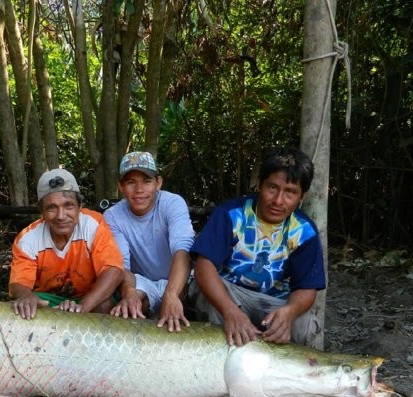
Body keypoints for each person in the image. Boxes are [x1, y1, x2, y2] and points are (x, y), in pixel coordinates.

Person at [190, 146, 325, 347]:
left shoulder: (304, 231)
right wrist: (231, 312)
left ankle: (292, 374)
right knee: (205, 296)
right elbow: (203, 266)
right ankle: (219, 365)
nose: (278, 200)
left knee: (305, 325)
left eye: (290, 192)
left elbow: (306, 288)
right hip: (230, 292)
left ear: (302, 197)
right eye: (272, 188)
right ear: (259, 185)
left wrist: (288, 313)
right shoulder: (231, 213)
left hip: (272, 302)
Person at [9, 168, 124, 319]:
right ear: (41, 212)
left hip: (90, 296)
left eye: (68, 205)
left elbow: (113, 270)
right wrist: (25, 296)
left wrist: (81, 307)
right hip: (51, 301)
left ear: (80, 206)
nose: (61, 216)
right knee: (26, 307)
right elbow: (18, 284)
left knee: (104, 304)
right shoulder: (27, 239)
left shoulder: (93, 224)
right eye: (52, 208)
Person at [103, 151, 196, 332]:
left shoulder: (173, 203)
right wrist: (129, 292)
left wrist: (171, 293)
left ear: (158, 183)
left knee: (178, 305)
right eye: (131, 182)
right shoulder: (112, 216)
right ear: (120, 186)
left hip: (178, 277)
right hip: (142, 281)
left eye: (146, 181)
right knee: (129, 307)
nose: (139, 190)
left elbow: (182, 250)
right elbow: (122, 265)